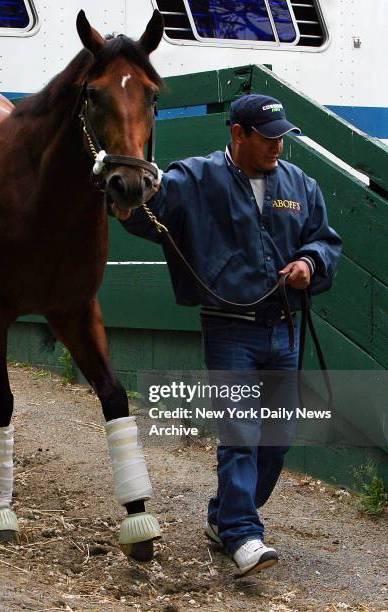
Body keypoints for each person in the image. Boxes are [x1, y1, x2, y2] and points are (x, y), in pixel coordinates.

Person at [120, 94, 342, 577]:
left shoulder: (299, 183)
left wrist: (310, 262)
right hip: (229, 329)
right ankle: (244, 533)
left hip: (285, 329)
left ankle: (224, 518)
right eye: (267, 137)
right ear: (238, 134)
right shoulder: (194, 178)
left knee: (278, 438)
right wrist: (127, 195)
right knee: (240, 434)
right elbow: (141, 212)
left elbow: (324, 239)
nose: (277, 146)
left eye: (282, 137)